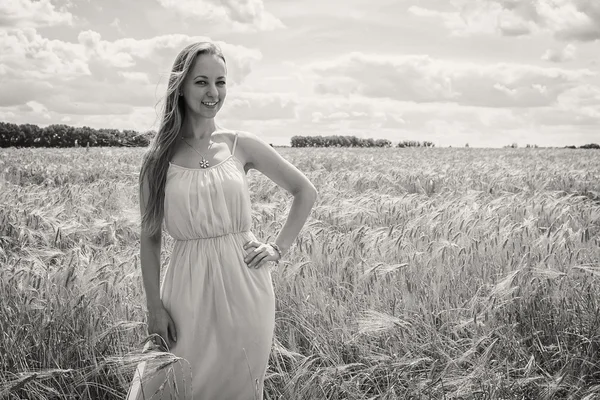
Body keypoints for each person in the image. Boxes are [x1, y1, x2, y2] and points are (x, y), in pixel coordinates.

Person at [128, 41, 318, 399]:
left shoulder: (239, 144)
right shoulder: (157, 158)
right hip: (185, 290)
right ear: (180, 86)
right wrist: (155, 308)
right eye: (201, 82)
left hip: (247, 289)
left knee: (239, 385)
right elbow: (150, 238)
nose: (213, 92)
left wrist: (277, 248)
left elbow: (304, 191)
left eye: (221, 81)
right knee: (168, 386)